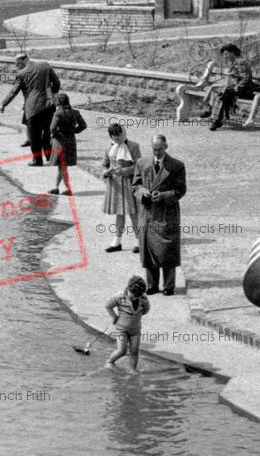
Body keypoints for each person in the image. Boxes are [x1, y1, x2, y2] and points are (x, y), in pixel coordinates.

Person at [132, 135, 186, 296]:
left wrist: (163, 196)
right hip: (148, 213)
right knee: (149, 249)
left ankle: (169, 286)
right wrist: (143, 193)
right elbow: (135, 186)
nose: (157, 152)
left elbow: (180, 190)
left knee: (167, 248)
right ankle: (152, 285)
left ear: (166, 147)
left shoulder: (176, 165)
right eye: (154, 149)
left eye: (160, 149)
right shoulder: (142, 163)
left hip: (166, 213)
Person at [0, 53, 60, 166]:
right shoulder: (45, 65)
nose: (17, 67)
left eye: (18, 64)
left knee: (34, 137)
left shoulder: (21, 74)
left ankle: (37, 160)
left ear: (23, 61)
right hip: (49, 106)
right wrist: (51, 94)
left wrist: (3, 104)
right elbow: (56, 83)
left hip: (33, 108)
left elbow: (14, 91)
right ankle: (50, 157)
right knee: (47, 133)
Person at [101, 123, 141, 253]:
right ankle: (117, 241)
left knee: (134, 213)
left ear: (123, 134)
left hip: (130, 183)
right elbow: (104, 165)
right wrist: (107, 172)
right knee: (119, 213)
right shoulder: (109, 149)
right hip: (116, 186)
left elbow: (139, 166)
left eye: (119, 136)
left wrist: (123, 171)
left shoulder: (133, 146)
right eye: (114, 137)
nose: (117, 139)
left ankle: (139, 241)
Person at [201, 44, 253, 131]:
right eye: (224, 55)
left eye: (227, 54)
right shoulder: (231, 63)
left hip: (243, 89)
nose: (225, 56)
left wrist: (236, 87)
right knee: (217, 90)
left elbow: (246, 79)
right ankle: (213, 114)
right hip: (232, 88)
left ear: (233, 52)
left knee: (224, 93)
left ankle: (216, 119)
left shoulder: (242, 63)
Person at [105, 275, 150, 374]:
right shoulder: (120, 296)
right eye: (132, 295)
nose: (134, 298)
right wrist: (114, 317)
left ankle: (132, 369)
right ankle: (110, 361)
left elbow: (146, 309)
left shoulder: (143, 299)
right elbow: (108, 306)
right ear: (128, 289)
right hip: (121, 329)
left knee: (134, 351)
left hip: (135, 330)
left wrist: (137, 315)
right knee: (122, 350)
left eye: (136, 296)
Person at [48, 93, 87, 196]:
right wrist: (74, 131)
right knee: (62, 167)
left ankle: (66, 189)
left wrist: (58, 134)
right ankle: (57, 187)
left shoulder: (58, 114)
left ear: (58, 102)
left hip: (60, 143)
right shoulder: (75, 113)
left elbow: (52, 129)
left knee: (62, 167)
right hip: (71, 142)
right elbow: (83, 125)